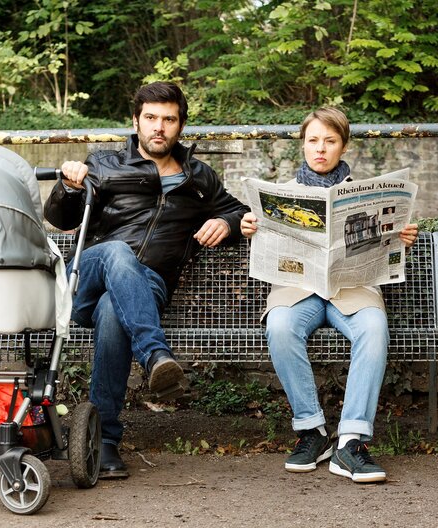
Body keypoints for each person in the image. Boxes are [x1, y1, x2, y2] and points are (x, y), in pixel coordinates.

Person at [44, 82, 249, 479]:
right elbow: (60, 218)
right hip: (85, 278)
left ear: (181, 126)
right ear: (135, 121)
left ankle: (103, 442)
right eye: (151, 118)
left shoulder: (198, 178)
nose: (159, 127)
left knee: (112, 310)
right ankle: (155, 354)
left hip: (147, 286)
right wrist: (68, 186)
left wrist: (226, 222)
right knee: (118, 252)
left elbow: (239, 212)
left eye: (168, 119)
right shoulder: (104, 165)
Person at [240, 107, 418, 483]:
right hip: (298, 289)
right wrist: (249, 227)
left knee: (374, 327)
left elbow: (384, 247)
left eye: (330, 141)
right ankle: (313, 432)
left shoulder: (367, 195)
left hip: (351, 289)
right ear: (303, 144)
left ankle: (351, 442)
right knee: (280, 325)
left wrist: (400, 236)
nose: (320, 149)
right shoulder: (281, 195)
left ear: (344, 145)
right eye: (313, 140)